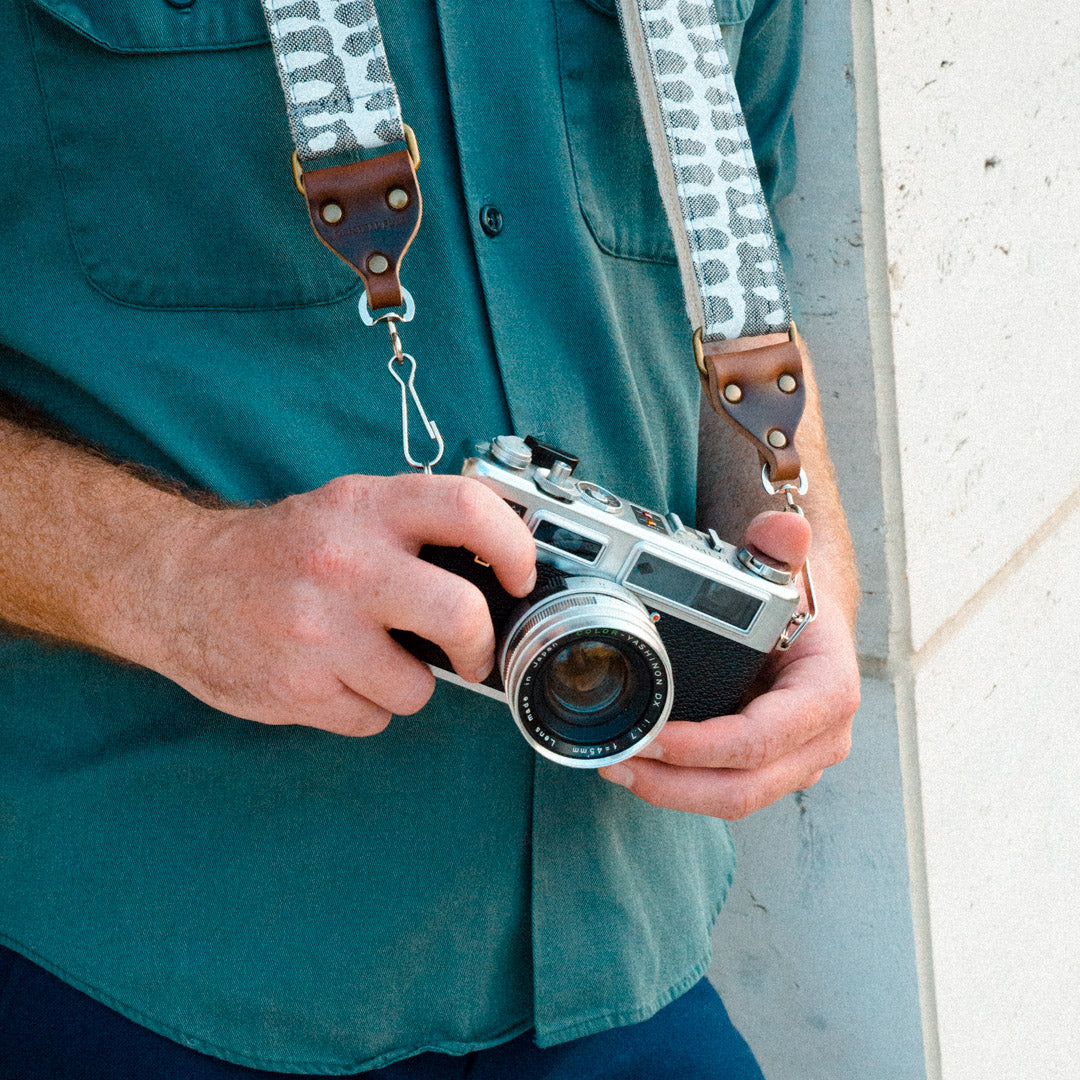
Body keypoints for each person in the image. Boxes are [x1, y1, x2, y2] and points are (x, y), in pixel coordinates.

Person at [0, 0, 860, 1076]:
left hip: (631, 955)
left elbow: (740, 287)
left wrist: (797, 584)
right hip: (144, 966)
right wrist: (167, 575)